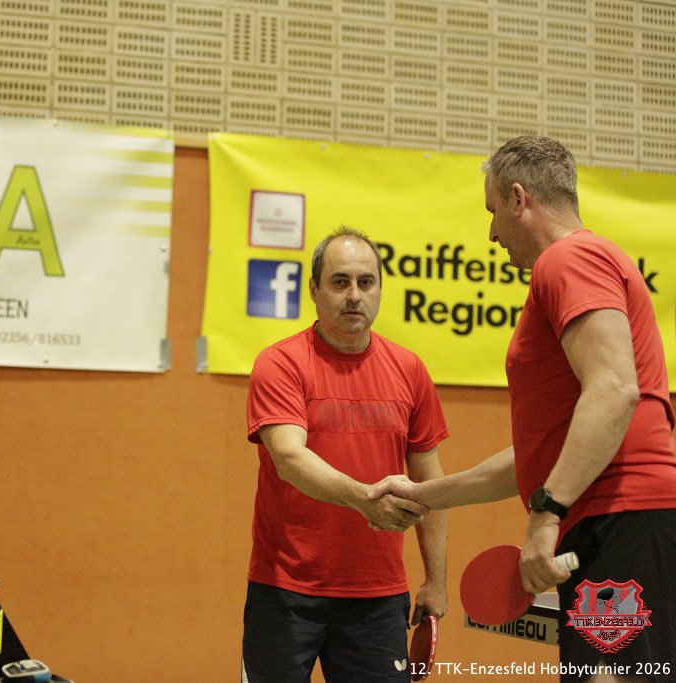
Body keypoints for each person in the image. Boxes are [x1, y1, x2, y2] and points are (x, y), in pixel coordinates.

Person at [371, 135, 676, 683]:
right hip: (614, 521)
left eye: (492, 211)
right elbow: (542, 455)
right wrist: (423, 495)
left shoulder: (569, 258)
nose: (491, 233)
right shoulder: (583, 261)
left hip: (619, 520)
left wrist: (546, 514)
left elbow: (615, 389)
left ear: (519, 198)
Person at [241, 227, 449, 683]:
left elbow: (429, 484)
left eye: (365, 282)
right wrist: (363, 499)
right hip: (285, 592)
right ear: (314, 289)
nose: (354, 295)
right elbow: (290, 459)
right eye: (339, 282)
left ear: (379, 290)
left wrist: (436, 581)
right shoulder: (281, 363)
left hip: (378, 600)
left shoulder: (410, 370)